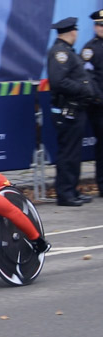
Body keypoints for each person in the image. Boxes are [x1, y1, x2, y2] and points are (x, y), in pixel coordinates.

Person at [47, 17, 95, 206]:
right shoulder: (60, 53)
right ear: (72, 32)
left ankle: (72, 189)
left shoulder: (67, 52)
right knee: (68, 154)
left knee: (74, 153)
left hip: (75, 110)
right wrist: (83, 88)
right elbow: (58, 82)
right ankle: (65, 194)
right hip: (68, 111)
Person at [81, 10, 103, 197]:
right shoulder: (90, 49)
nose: (101, 28)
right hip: (100, 107)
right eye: (99, 25)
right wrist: (99, 98)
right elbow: (88, 79)